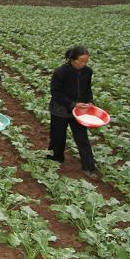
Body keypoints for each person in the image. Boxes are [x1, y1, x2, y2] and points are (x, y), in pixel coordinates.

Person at [47, 45, 101, 181]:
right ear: (72, 59)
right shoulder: (61, 72)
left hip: (80, 110)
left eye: (85, 62)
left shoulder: (87, 72)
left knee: (82, 138)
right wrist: (72, 104)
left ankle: (89, 167)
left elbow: (88, 89)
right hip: (60, 109)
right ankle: (56, 157)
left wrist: (89, 101)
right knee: (58, 136)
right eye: (80, 61)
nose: (83, 64)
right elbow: (55, 93)